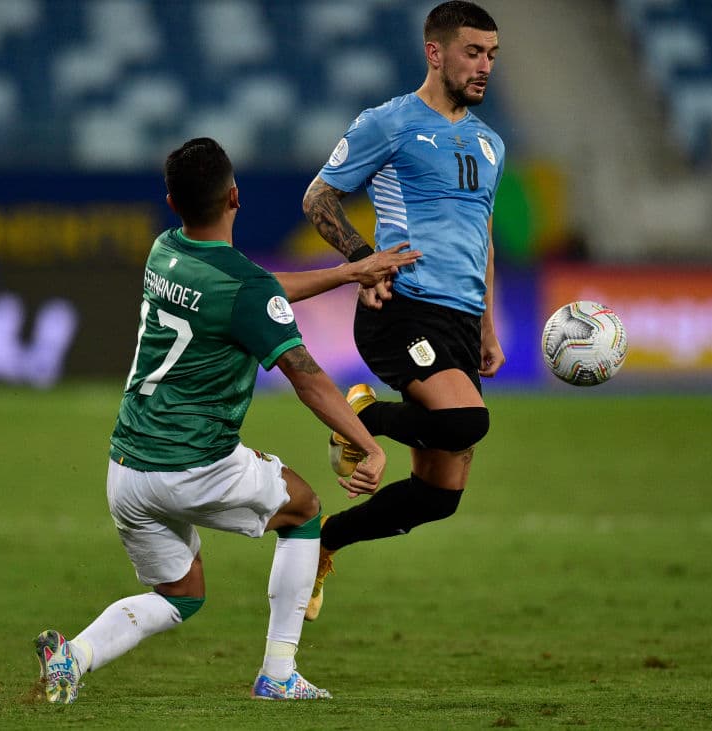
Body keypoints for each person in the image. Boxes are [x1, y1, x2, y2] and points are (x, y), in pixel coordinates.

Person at [34, 137, 420, 703]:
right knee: (305, 510)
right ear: (236, 196)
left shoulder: (164, 250)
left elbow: (260, 294)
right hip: (192, 465)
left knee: (181, 594)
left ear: (171, 201)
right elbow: (307, 376)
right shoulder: (243, 287)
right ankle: (279, 673)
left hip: (127, 469)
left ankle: (73, 658)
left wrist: (345, 274)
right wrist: (371, 442)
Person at [300, 0, 505, 621]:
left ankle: (322, 542)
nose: (485, 66)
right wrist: (364, 262)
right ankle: (359, 412)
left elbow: (482, 236)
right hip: (402, 308)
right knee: (467, 423)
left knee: (438, 495)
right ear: (435, 52)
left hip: (459, 324)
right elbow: (319, 198)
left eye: (493, 55)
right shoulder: (389, 123)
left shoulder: (491, 142)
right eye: (473, 52)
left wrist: (487, 328)